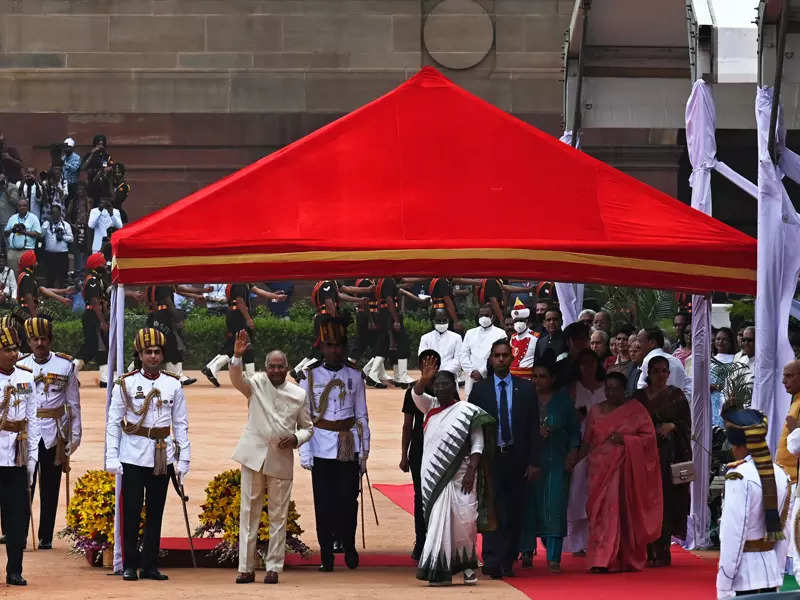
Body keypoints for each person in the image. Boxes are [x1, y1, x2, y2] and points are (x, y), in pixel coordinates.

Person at [105, 327, 190, 582]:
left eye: (157, 352)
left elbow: (181, 424)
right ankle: (130, 564)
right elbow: (113, 422)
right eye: (148, 352)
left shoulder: (173, 383)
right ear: (140, 354)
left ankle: (150, 564)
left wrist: (184, 458)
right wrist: (111, 456)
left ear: (162, 355)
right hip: (132, 454)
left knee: (156, 510)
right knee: (131, 510)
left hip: (162, 455)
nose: (153, 356)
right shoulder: (126, 383)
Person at [229, 332, 313, 584]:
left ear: (287, 368)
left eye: (280, 366)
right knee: (248, 512)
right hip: (253, 455)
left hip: (281, 458)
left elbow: (308, 428)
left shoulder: (298, 394)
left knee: (278, 515)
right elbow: (235, 378)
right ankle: (245, 567)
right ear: (266, 368)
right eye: (272, 366)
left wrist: (296, 439)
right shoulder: (255, 383)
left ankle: (274, 567)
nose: (276, 370)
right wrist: (237, 356)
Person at [411, 357, 494, 586]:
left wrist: (472, 471)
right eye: (436, 384)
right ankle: (438, 569)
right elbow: (416, 395)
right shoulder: (429, 406)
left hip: (463, 476)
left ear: (455, 386)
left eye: (445, 384)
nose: (440, 388)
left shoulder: (468, 411)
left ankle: (467, 566)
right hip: (434, 476)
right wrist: (423, 380)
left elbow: (477, 443)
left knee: (466, 521)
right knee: (438, 521)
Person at [299, 318, 369, 572]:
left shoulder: (355, 375)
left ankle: (349, 546)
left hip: (347, 444)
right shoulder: (309, 375)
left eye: (339, 345)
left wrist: (364, 452)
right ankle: (326, 554)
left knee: (349, 501)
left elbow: (361, 416)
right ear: (322, 348)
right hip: (319, 445)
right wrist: (305, 452)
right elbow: (304, 418)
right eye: (330, 345)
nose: (335, 350)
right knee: (324, 503)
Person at [468, 338, 541, 579]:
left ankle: (508, 558)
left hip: (517, 458)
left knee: (514, 510)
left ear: (511, 358)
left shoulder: (527, 389)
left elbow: (532, 428)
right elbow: (472, 427)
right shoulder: (480, 390)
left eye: (504, 355)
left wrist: (533, 462)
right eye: (496, 355)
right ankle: (491, 559)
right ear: (491, 359)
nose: (500, 359)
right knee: (491, 508)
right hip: (491, 457)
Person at [583, 371, 662, 572]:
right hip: (598, 470)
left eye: (615, 389)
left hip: (624, 472)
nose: (610, 393)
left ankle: (614, 558)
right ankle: (600, 557)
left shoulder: (636, 410)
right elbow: (587, 442)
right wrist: (573, 460)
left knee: (619, 513)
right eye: (607, 389)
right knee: (600, 513)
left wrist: (626, 440)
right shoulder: (595, 411)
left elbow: (649, 439)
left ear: (624, 390)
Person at [17, 315, 81, 550]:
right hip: (27, 433)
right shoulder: (21, 366)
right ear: (29, 341)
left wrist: (74, 437)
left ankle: (46, 536)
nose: (39, 343)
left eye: (43, 338)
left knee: (51, 486)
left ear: (50, 340)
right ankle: (19, 533)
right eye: (35, 339)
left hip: (55, 432)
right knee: (23, 484)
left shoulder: (66, 365)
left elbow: (73, 404)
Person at [716, 407, 790, 598]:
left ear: (739, 445)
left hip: (744, 578)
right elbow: (783, 532)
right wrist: (778, 571)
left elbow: (734, 535)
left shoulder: (738, 476)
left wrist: (724, 584)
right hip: (771, 574)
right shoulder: (781, 474)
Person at [519, 352, 579, 573]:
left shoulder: (563, 400)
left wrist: (573, 453)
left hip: (556, 460)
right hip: (529, 460)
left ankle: (554, 557)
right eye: (534, 376)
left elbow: (574, 430)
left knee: (554, 506)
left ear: (552, 379)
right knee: (527, 506)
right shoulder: (525, 398)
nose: (537, 380)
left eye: (542, 376)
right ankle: (526, 552)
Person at [633, 356, 691, 567]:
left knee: (665, 502)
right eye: (656, 370)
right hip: (642, 456)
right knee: (644, 502)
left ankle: (663, 549)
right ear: (649, 372)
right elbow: (629, 422)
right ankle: (646, 550)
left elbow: (686, 425)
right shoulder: (638, 398)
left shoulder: (676, 396)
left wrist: (672, 427)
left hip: (668, 456)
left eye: (664, 371)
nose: (660, 375)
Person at [0, 325, 37, 586]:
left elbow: (32, 418)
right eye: (6, 350)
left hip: (16, 456)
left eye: (15, 349)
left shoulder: (26, 378)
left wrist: (32, 457)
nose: (13, 354)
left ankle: (14, 569)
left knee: (17, 517)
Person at [201, 283, 286, 386]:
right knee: (243, 345)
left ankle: (212, 367)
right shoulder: (239, 283)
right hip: (237, 315)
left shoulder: (244, 281)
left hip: (236, 315)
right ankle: (250, 376)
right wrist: (248, 319)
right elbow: (240, 301)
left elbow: (258, 291)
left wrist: (275, 296)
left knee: (236, 345)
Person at [564, 348, 606, 555]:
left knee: (598, 494)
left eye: (591, 363)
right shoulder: (574, 388)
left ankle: (598, 539)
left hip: (603, 445)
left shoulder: (606, 388)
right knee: (578, 493)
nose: (587, 367)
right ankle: (577, 542)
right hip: (580, 444)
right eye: (583, 363)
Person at [401, 350, 440, 561]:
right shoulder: (412, 392)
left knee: (440, 497)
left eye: (432, 364)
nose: (429, 368)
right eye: (424, 364)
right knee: (420, 498)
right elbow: (407, 426)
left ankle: (438, 540)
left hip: (440, 450)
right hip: (419, 449)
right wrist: (403, 454)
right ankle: (421, 540)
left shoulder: (445, 388)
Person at [74, 253, 109, 386]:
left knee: (103, 346)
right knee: (90, 346)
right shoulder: (92, 280)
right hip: (92, 314)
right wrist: (102, 321)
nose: (105, 266)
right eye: (103, 263)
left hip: (96, 314)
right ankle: (70, 374)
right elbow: (94, 301)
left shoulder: (98, 279)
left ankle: (105, 379)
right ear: (97, 265)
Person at [460, 304, 507, 398]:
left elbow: (498, 357)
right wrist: (471, 372)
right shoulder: (470, 333)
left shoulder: (500, 333)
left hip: (490, 375)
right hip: (471, 377)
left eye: (487, 315)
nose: (484, 318)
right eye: (481, 315)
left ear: (493, 317)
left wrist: (482, 372)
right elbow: (463, 354)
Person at [637, 327, 691, 398]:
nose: (637, 345)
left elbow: (641, 389)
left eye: (640, 341)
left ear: (652, 343)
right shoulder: (676, 360)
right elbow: (689, 387)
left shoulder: (649, 360)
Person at [418, 308, 462, 376]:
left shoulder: (456, 337)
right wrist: (433, 371)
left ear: (448, 320)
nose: (441, 323)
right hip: (430, 375)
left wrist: (445, 372)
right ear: (433, 321)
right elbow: (422, 357)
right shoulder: (425, 338)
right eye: (438, 320)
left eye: (444, 320)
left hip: (449, 376)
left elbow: (458, 359)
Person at [4, 198, 41, 275]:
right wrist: (12, 230)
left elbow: (37, 234)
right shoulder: (12, 218)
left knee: (27, 276)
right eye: (20, 206)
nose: (22, 207)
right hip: (13, 252)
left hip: (27, 251)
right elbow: (6, 233)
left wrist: (24, 232)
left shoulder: (33, 218)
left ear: (28, 207)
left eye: (24, 206)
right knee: (12, 276)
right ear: (17, 207)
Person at [41, 204, 73, 289]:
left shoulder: (65, 225)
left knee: (62, 278)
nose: (54, 215)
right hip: (49, 255)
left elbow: (71, 239)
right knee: (50, 277)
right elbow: (41, 235)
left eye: (56, 213)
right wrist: (47, 223)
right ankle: (49, 298)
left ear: (60, 213)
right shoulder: (47, 224)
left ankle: (62, 298)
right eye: (53, 213)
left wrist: (62, 237)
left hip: (62, 255)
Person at [710, 327, 737, 427]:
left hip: (728, 401)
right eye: (718, 339)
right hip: (712, 401)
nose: (720, 342)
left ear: (730, 342)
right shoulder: (710, 360)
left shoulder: (736, 359)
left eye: (724, 339)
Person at [509, 298, 537, 379]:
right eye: (516, 321)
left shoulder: (535, 337)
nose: (518, 323)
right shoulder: (513, 337)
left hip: (528, 377)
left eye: (521, 320)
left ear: (526, 321)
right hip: (512, 377)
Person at [67, 181, 90, 279]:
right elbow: (68, 215)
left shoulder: (88, 201)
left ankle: (83, 271)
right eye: (78, 189)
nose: (80, 191)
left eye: (82, 189)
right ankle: (77, 271)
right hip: (76, 228)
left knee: (86, 249)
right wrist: (72, 225)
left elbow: (89, 213)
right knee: (76, 250)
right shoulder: (73, 201)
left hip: (86, 228)